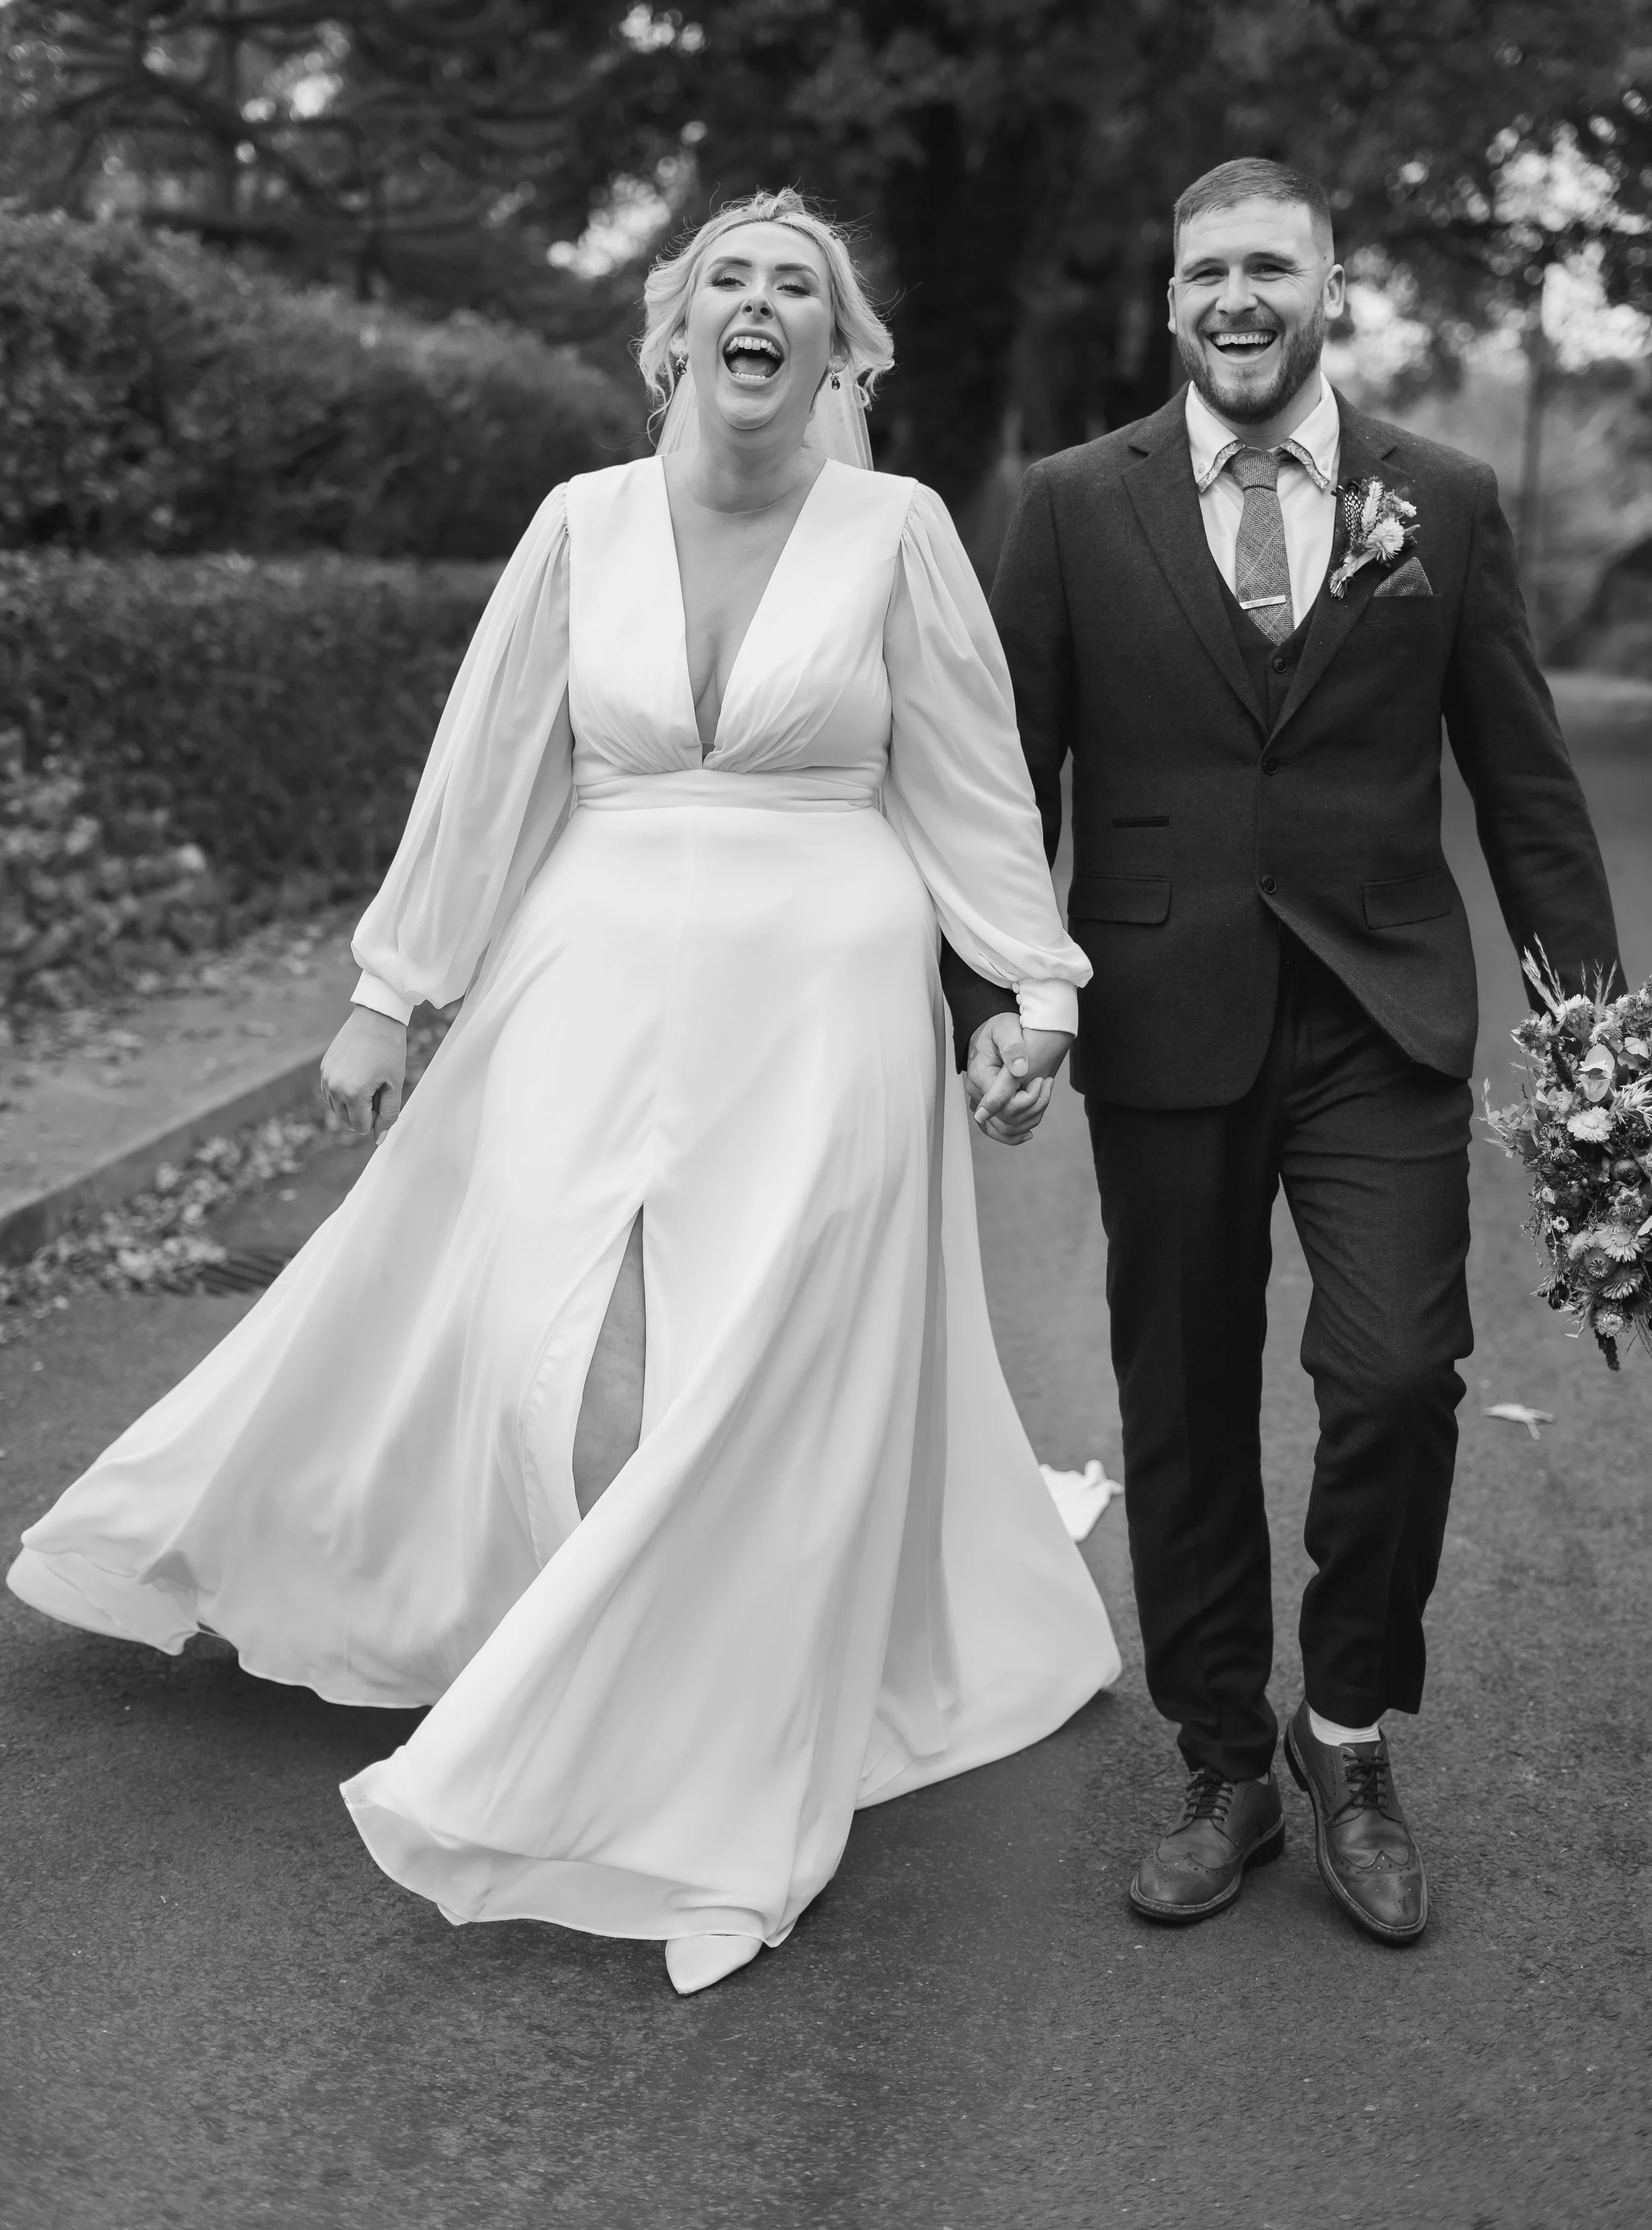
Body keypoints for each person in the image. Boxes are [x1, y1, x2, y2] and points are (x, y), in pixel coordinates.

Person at [8, 191, 1119, 1996]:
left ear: (838, 353)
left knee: (763, 1340)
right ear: (677, 337)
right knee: (550, 1314)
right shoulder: (578, 524)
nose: (763, 306)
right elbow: (492, 761)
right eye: (729, 283)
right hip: (581, 978)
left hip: (826, 996)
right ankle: (582, 1614)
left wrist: (1036, 989)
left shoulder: (898, 531)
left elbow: (972, 786)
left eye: (801, 291)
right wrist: (392, 991)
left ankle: (676, 1726)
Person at [948, 157, 1619, 1944]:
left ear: (1329, 285)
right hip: (1162, 1012)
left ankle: (1341, 1734)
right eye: (1204, 273)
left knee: (1396, 1370)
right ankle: (1219, 1756)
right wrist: (998, 1001)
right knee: (1175, 1401)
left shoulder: (1445, 501)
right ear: (1170, 305)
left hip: (1380, 1008)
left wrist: (1594, 1049)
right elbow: (1007, 782)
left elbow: (1530, 797)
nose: (1235, 297)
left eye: (1269, 266)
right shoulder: (1070, 507)